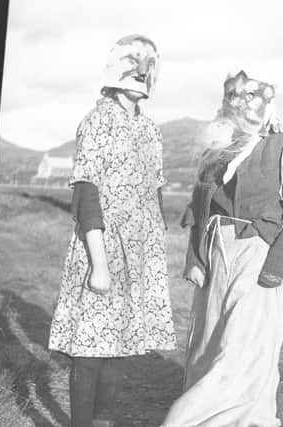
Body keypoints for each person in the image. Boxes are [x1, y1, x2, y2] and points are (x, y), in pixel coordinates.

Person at [161, 70, 283, 427]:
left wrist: (274, 266)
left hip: (260, 254)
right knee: (207, 347)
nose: (240, 110)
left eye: (247, 103)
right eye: (234, 102)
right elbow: (200, 205)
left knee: (242, 351)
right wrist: (196, 257)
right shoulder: (220, 145)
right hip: (217, 254)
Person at [48, 34, 176, 427]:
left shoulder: (149, 129)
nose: (141, 75)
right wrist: (99, 264)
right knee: (90, 345)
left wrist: (153, 256)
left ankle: (104, 422)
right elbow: (87, 193)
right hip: (100, 244)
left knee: (119, 342)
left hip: (139, 250)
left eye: (146, 68)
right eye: (133, 66)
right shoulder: (97, 120)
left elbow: (154, 194)